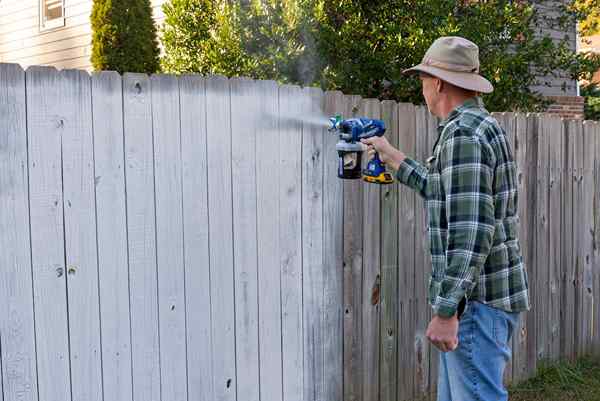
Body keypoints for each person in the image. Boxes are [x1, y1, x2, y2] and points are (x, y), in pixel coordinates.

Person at [361, 36, 530, 401]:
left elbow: (472, 232)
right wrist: (392, 157)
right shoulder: (477, 126)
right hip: (482, 303)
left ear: (437, 82)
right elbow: (445, 193)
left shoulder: (464, 135)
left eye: (423, 80)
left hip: (475, 304)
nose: (422, 89)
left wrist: (446, 310)